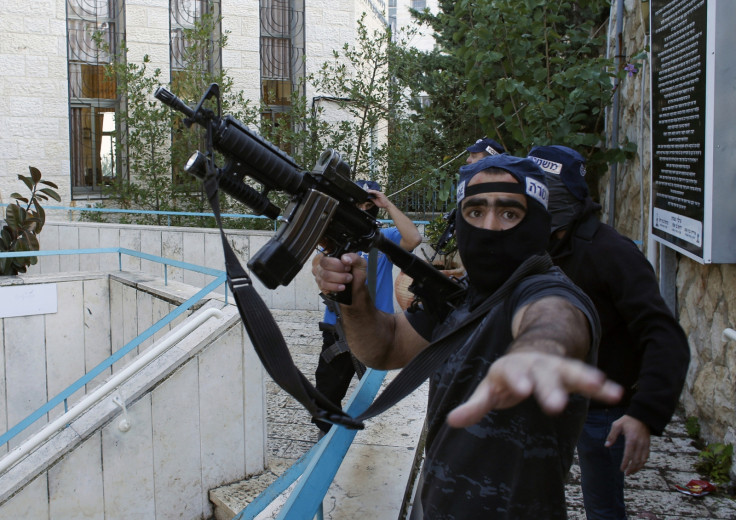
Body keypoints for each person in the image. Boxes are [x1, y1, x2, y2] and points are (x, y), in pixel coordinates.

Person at [313, 154, 623, 518]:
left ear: (538, 223)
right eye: (475, 212)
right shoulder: (459, 295)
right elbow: (385, 348)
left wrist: (539, 350)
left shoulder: (547, 290)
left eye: (509, 213)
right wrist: (352, 296)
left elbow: (555, 320)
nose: (490, 226)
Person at [527, 145, 690, 520]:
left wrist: (645, 413)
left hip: (600, 412)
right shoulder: (536, 247)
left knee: (602, 509)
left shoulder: (611, 253)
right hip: (543, 398)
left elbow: (664, 334)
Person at [312, 179, 422, 434]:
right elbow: (318, 259)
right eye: (355, 203)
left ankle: (376, 438)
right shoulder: (335, 239)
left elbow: (413, 237)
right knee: (327, 392)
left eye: (367, 203)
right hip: (337, 328)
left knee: (378, 394)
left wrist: (387, 204)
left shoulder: (384, 240)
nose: (361, 209)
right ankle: (325, 438)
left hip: (376, 328)